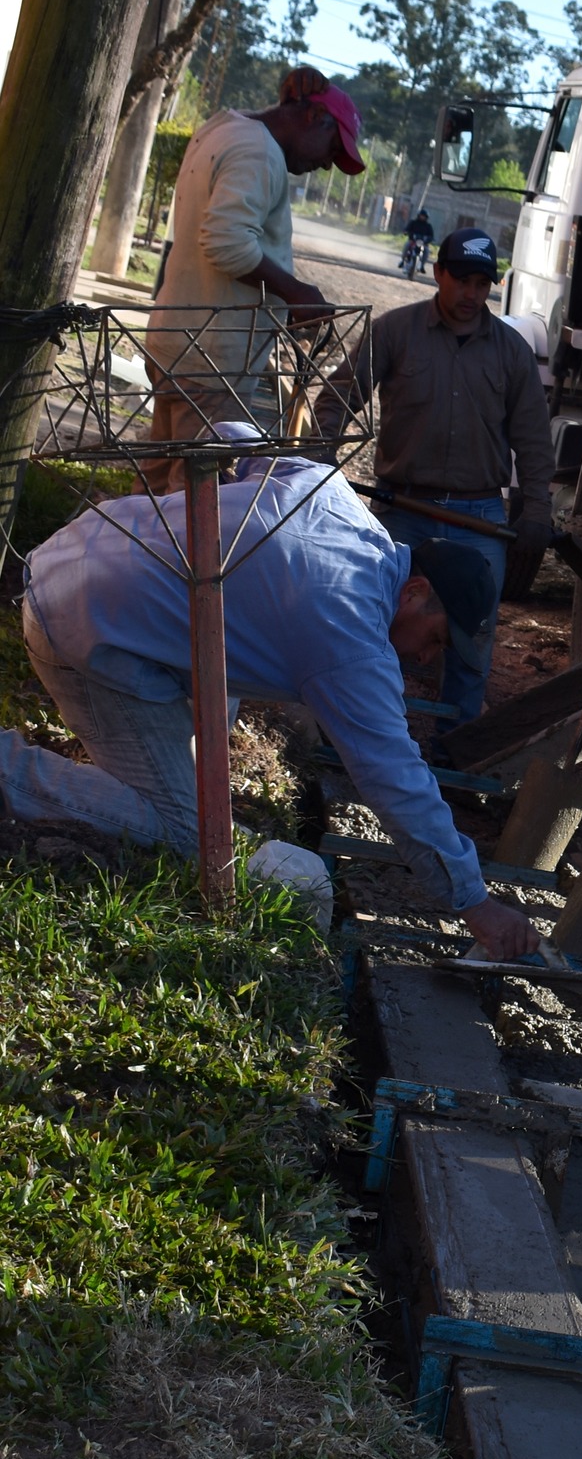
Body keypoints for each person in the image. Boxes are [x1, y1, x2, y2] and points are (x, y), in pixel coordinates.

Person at [0, 439, 537, 958]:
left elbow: (236, 437)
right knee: (191, 832)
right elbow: (395, 778)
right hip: (78, 627)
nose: (425, 658)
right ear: (415, 592)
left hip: (83, 545)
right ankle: (8, 767)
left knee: (228, 674)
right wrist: (475, 902)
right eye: (436, 640)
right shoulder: (349, 636)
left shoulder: (333, 495)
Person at [341, 230, 552, 723]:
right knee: (377, 622)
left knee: (471, 638)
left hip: (480, 516)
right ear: (438, 273)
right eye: (461, 280)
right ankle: (361, 731)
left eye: (482, 284)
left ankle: (454, 751)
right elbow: (339, 397)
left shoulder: (511, 351)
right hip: (402, 509)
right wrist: (316, 466)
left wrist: (538, 507)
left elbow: (534, 439)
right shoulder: (394, 332)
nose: (471, 294)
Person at [144, 80, 364, 483]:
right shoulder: (259, 151)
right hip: (213, 361)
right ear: (315, 115)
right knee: (197, 499)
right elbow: (226, 242)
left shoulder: (222, 127)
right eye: (333, 148)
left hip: (175, 339)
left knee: (157, 485)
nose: (327, 164)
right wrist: (294, 292)